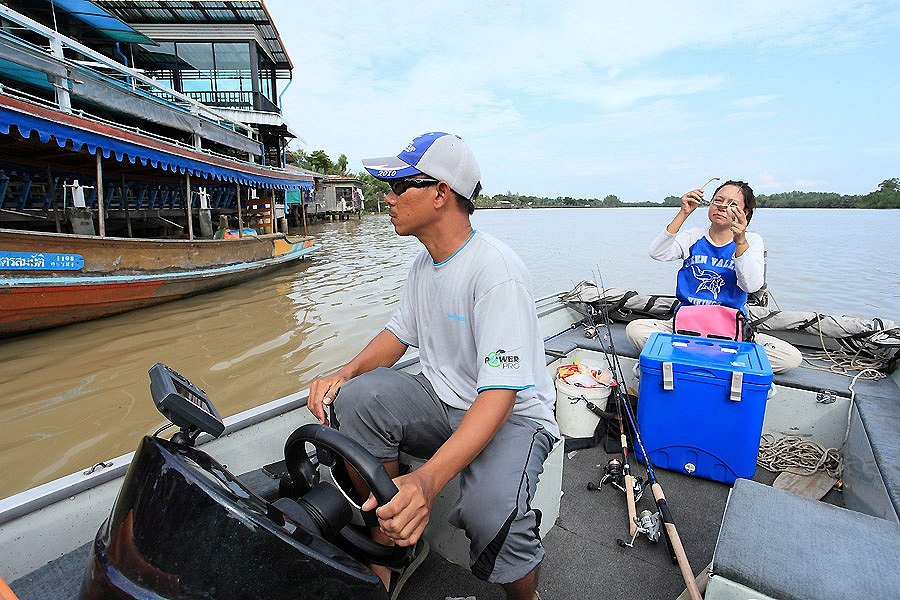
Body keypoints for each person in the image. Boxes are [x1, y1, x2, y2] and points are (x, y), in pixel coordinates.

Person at [307, 132, 558, 600]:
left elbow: (500, 394)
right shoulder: (424, 266)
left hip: (512, 415)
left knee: (490, 513)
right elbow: (397, 336)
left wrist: (427, 480)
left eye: (400, 185)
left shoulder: (495, 271)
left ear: (441, 193)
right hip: (443, 399)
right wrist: (343, 374)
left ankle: (526, 597)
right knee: (358, 398)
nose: (389, 197)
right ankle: (389, 544)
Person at [625, 180, 802, 374]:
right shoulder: (693, 237)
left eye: (732, 204)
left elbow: (751, 285)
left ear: (746, 213)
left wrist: (740, 241)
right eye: (718, 200)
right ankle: (720, 364)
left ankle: (684, 361)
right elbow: (657, 253)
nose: (722, 206)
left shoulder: (751, 240)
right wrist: (683, 213)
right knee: (636, 330)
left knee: (790, 358)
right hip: (686, 327)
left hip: (731, 331)